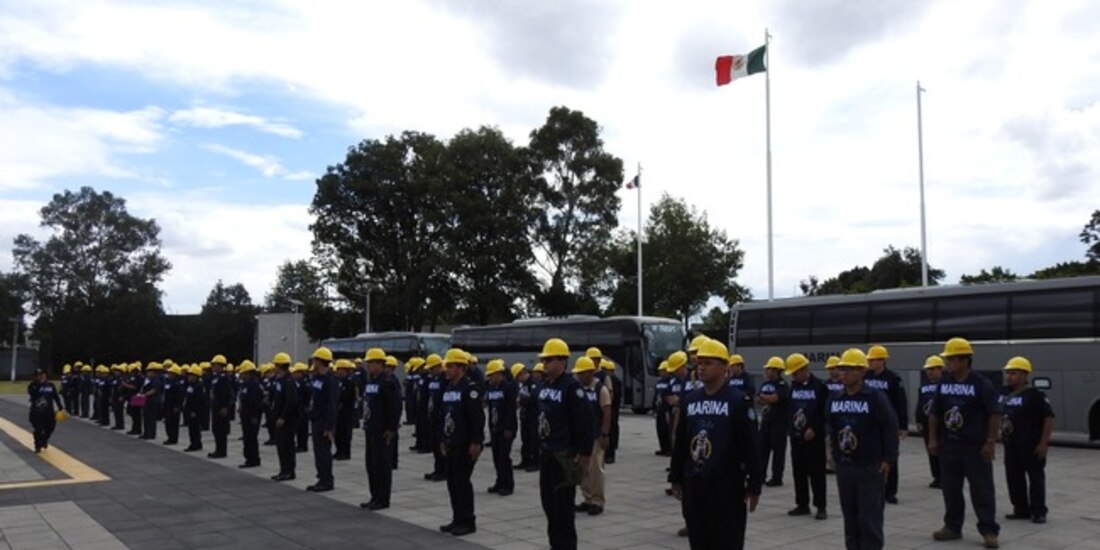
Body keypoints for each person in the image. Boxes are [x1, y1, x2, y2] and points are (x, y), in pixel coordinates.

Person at [669, 339, 761, 550]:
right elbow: (682, 442)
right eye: (699, 362)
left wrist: (755, 484)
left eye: (708, 363)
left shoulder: (737, 401)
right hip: (695, 482)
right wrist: (675, 476)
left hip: (726, 485)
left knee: (727, 541)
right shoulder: (690, 400)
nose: (701, 367)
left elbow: (751, 445)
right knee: (699, 540)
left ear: (724, 367)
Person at [927, 337, 1002, 549]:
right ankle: (952, 526)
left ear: (964, 360)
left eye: (950, 359)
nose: (947, 363)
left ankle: (988, 530)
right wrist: (933, 439)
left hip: (974, 447)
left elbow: (994, 414)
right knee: (950, 489)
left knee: (982, 489)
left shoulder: (981, 384)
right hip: (949, 446)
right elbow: (934, 413)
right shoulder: (944, 382)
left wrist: (990, 442)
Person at [827, 348, 899, 550]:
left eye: (849, 369)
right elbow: (831, 426)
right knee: (850, 517)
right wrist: (834, 454)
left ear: (861, 372)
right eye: (841, 369)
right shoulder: (835, 398)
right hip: (845, 466)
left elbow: (890, 427)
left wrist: (888, 459)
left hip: (870, 466)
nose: (843, 374)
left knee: (870, 517)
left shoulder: (875, 397)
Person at [536, 338, 594, 550]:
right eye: (544, 359)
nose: (545, 363)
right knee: (548, 504)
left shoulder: (571, 388)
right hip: (547, 453)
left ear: (562, 361)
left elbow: (585, 422)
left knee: (562, 508)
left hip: (565, 456)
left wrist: (585, 455)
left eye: (549, 359)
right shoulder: (544, 385)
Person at [999, 356, 1053, 524]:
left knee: (1035, 478)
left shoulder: (1035, 395)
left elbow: (1049, 418)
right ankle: (1020, 509)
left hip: (1031, 444)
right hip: (1011, 444)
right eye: (1007, 373)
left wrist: (1044, 443)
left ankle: (1038, 511)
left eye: (1013, 373)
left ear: (1024, 375)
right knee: (1014, 477)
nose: (1009, 377)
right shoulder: (1003, 393)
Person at [439, 348, 485, 536]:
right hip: (451, 441)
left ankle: (468, 521)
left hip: (465, 444)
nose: (447, 370)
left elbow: (477, 418)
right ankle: (457, 518)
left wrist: (476, 441)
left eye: (450, 366)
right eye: (447, 366)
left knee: (462, 482)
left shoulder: (470, 389)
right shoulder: (450, 387)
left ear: (461, 367)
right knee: (452, 483)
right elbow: (446, 415)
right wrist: (443, 438)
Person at [785, 352, 829, 520]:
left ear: (804, 369)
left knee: (817, 473)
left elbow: (823, 412)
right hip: (796, 437)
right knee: (799, 472)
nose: (794, 376)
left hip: (814, 439)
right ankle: (802, 504)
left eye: (796, 373)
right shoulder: (793, 387)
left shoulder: (819, 386)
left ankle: (821, 506)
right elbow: (790, 409)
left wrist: (814, 429)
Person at [864, 345, 908, 504]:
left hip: (889, 424)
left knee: (891, 457)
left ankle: (890, 492)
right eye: (868, 360)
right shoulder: (866, 377)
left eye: (873, 360)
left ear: (882, 361)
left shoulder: (893, 379)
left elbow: (901, 403)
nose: (869, 362)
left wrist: (902, 426)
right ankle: (875, 488)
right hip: (871, 424)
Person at [359, 347, 401, 510]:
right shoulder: (371, 381)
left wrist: (391, 429)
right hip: (371, 428)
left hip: (382, 430)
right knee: (371, 465)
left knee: (382, 465)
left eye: (370, 362)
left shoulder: (387, 382)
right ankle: (374, 496)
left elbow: (395, 406)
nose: (368, 365)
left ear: (379, 363)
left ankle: (383, 499)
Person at [574, 356, 612, 516]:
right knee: (583, 468)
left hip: (596, 435)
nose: (579, 376)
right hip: (582, 436)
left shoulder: (600, 389)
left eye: (581, 373)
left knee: (596, 469)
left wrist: (605, 434)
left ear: (590, 373)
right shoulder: (578, 389)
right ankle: (587, 498)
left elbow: (607, 412)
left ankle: (597, 500)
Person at [307, 347, 340, 492]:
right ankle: (321, 477)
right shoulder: (317, 378)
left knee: (324, 452)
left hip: (324, 422)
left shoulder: (330, 379)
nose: (313, 362)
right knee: (318, 451)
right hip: (316, 419)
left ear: (320, 361)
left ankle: (327, 480)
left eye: (315, 360)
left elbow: (332, 404)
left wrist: (329, 426)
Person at [485, 359, 517, 496]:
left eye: (492, 375)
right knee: (496, 457)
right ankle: (499, 481)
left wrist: (509, 428)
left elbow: (511, 409)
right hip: (495, 428)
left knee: (504, 457)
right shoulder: (491, 388)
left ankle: (508, 484)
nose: (490, 378)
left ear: (499, 374)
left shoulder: (508, 388)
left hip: (506, 429)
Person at [757, 356, 789, 487]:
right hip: (766, 422)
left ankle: (777, 477)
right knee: (762, 450)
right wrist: (766, 398)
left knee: (778, 452)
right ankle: (761, 475)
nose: (766, 372)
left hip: (779, 423)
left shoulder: (782, 385)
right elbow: (758, 400)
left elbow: (776, 398)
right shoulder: (765, 384)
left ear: (776, 370)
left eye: (769, 369)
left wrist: (766, 398)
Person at [916, 355, 945, 488]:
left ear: (940, 369)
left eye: (933, 369)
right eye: (928, 369)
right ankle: (936, 476)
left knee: (942, 451)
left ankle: (944, 476)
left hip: (942, 424)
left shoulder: (945, 385)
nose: (930, 372)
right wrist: (918, 420)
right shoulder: (923, 387)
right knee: (931, 451)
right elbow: (919, 404)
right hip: (927, 424)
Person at [270, 355, 299, 480]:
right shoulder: (280, 380)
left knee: (287, 446)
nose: (274, 368)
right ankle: (283, 470)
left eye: (276, 365)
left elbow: (290, 401)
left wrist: (283, 417)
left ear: (280, 366)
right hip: (279, 419)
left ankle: (289, 471)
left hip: (287, 420)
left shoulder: (288, 381)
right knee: (281, 446)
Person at [423, 354, 447, 482]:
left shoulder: (444, 379)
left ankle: (443, 471)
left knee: (441, 445)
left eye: (432, 368)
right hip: (433, 417)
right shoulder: (434, 379)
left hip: (441, 418)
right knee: (435, 445)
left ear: (439, 366)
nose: (430, 371)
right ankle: (437, 469)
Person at [27, 369, 64, 453]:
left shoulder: (51, 385)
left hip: (49, 411)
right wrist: (38, 384)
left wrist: (61, 408)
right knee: (38, 429)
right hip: (37, 412)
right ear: (35, 377)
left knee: (51, 427)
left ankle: (44, 440)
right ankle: (38, 445)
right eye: (38, 375)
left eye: (42, 374)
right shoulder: (32, 386)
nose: (41, 376)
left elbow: (55, 397)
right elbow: (33, 395)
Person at [237, 361, 263, 468]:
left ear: (249, 373)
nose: (241, 375)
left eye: (243, 373)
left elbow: (256, 403)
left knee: (251, 437)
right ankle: (249, 458)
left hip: (252, 416)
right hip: (245, 415)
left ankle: (253, 459)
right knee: (247, 437)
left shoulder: (254, 386)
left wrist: (254, 416)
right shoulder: (245, 385)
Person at [515, 363, 539, 471]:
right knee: (525, 439)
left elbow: (533, 399)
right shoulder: (522, 385)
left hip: (533, 416)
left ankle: (535, 462)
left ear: (522, 373)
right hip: (524, 416)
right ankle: (525, 460)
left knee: (534, 440)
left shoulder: (533, 384)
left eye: (518, 377)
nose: (518, 380)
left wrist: (521, 401)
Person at [333, 359, 358, 461]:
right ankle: (339, 451)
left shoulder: (350, 381)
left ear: (345, 370)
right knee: (338, 432)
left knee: (345, 433)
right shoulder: (338, 380)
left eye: (340, 369)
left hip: (346, 411)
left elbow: (347, 396)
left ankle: (345, 452)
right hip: (338, 411)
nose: (338, 372)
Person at [208, 358, 233, 458]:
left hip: (221, 407)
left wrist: (224, 407)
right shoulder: (216, 378)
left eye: (215, 365)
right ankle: (218, 449)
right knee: (216, 429)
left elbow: (226, 394)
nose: (213, 367)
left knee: (221, 430)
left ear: (220, 366)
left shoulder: (223, 378)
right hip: (215, 406)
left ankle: (222, 451)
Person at [599, 359, 623, 464]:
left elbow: (613, 396)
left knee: (611, 431)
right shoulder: (607, 379)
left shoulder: (613, 380)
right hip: (609, 409)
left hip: (611, 409)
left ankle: (610, 455)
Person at [183, 366, 207, 452]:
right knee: (191, 428)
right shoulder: (191, 385)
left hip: (195, 411)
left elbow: (199, 401)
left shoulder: (198, 386)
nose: (189, 377)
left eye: (191, 375)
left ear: (196, 376)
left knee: (195, 429)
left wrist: (195, 411)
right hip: (190, 410)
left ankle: (195, 444)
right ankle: (195, 443)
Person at [139, 362, 164, 440]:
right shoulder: (148, 379)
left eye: (149, 371)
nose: (148, 373)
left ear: (154, 372)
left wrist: (144, 395)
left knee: (151, 418)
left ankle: (151, 434)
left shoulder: (157, 380)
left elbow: (154, 390)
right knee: (146, 417)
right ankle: (146, 433)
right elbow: (144, 388)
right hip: (146, 400)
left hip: (153, 401)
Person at [162, 365, 184, 445]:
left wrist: (177, 406)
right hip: (168, 405)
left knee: (173, 423)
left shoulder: (177, 384)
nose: (169, 374)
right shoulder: (168, 382)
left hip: (174, 406)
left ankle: (173, 439)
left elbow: (180, 397)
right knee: (168, 422)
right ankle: (169, 437)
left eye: (171, 373)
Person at [292, 362, 311, 453]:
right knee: (299, 427)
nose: (294, 375)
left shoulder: (305, 382)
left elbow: (308, 395)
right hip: (298, 408)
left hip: (303, 408)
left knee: (303, 427)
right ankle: (300, 444)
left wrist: (307, 406)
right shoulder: (298, 382)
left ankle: (303, 445)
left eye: (295, 373)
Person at [654, 361, 672, 456]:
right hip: (659, 409)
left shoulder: (671, 382)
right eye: (660, 371)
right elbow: (656, 395)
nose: (661, 373)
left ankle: (669, 449)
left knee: (667, 430)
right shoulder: (659, 382)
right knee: (660, 429)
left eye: (662, 371)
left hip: (666, 410)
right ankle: (663, 448)